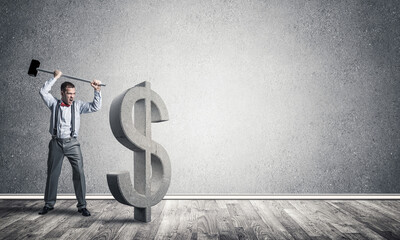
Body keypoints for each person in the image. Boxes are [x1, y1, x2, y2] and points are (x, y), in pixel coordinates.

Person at [38, 70, 102, 216]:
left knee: (79, 173)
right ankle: (48, 204)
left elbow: (95, 107)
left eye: (73, 93)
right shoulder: (54, 104)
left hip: (72, 144)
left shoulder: (78, 105)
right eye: (69, 93)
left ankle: (82, 206)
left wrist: (97, 91)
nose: (72, 96)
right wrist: (55, 77)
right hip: (56, 144)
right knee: (52, 174)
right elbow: (43, 91)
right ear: (62, 93)